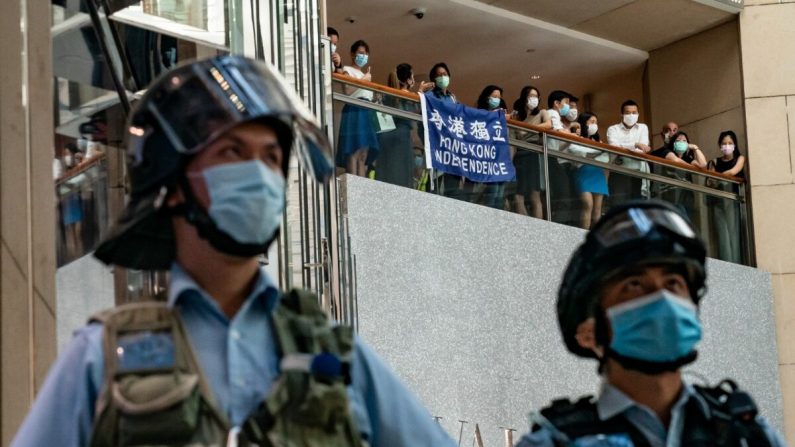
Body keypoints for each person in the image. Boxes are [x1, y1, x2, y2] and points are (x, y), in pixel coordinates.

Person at [12, 56, 457, 447]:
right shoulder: (102, 358)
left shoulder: (335, 357)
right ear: (173, 186)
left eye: (271, 157)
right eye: (232, 151)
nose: (260, 173)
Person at [516, 199, 786, 447]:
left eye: (673, 284)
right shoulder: (554, 442)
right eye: (634, 285)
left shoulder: (750, 437)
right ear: (589, 332)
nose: (662, 299)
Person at [375, 63, 421, 188]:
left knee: (387, 174)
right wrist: (420, 94)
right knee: (401, 176)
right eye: (412, 76)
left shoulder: (388, 94)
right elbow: (415, 111)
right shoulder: (406, 95)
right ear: (408, 79)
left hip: (386, 137)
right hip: (401, 137)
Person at [338, 40, 379, 178]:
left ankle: (361, 183)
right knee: (352, 148)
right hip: (354, 110)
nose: (363, 56)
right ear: (352, 53)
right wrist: (364, 80)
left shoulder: (365, 75)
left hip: (366, 111)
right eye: (361, 53)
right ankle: (352, 182)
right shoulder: (347, 70)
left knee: (364, 152)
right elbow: (347, 90)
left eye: (366, 53)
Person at [511, 86, 550, 218]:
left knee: (535, 194)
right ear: (524, 98)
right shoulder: (517, 115)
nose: (534, 99)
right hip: (519, 155)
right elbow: (513, 135)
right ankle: (526, 225)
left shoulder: (542, 112)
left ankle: (538, 227)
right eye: (530, 96)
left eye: (536, 96)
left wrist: (528, 129)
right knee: (518, 195)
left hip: (533, 154)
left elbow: (548, 125)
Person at [708, 130, 746, 263]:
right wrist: (718, 179)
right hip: (718, 202)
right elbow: (710, 181)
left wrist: (719, 177)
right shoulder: (714, 161)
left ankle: (737, 262)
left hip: (734, 201)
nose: (727, 146)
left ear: (735, 144)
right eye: (724, 143)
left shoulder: (740, 158)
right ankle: (727, 262)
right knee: (722, 234)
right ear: (719, 145)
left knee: (734, 233)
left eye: (730, 143)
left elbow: (734, 171)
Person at [606, 100, 652, 202]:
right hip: (618, 172)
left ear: (638, 114)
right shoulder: (613, 129)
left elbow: (642, 150)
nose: (631, 115)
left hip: (638, 172)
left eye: (634, 112)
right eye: (627, 112)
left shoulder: (643, 128)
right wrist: (635, 145)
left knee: (637, 206)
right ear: (621, 114)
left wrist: (624, 148)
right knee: (618, 206)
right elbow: (614, 147)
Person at [546, 90, 579, 226]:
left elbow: (559, 141)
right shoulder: (552, 113)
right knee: (563, 193)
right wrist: (574, 136)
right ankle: (559, 224)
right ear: (556, 103)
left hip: (553, 155)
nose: (568, 107)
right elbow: (559, 133)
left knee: (562, 194)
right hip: (551, 157)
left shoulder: (556, 116)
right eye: (566, 103)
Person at [572, 112, 609, 229]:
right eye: (592, 122)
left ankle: (594, 239)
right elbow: (574, 151)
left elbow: (606, 158)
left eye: (596, 123)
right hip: (582, 173)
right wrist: (596, 153)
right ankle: (583, 235)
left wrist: (589, 155)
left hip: (598, 174)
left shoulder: (598, 141)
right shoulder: (576, 137)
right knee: (588, 204)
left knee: (597, 210)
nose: (595, 125)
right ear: (584, 123)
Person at [474, 85, 508, 209]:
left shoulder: (500, 114)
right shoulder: (479, 114)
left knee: (500, 192)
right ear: (487, 97)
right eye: (494, 96)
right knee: (492, 191)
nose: (497, 99)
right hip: (488, 158)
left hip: (500, 159)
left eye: (499, 97)